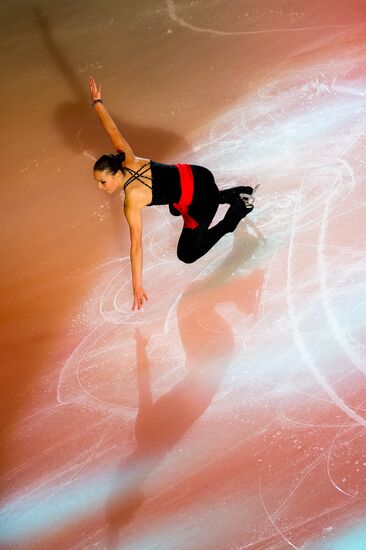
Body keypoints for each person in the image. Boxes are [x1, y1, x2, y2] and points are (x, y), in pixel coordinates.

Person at [88, 77, 258, 311]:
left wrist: (136, 285)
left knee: (187, 254)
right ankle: (229, 195)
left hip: (201, 200)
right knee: (173, 202)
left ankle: (235, 214)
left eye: (102, 181)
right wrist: (97, 101)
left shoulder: (132, 200)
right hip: (199, 175)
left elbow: (136, 246)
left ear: (116, 175)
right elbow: (112, 128)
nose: (100, 187)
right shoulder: (125, 156)